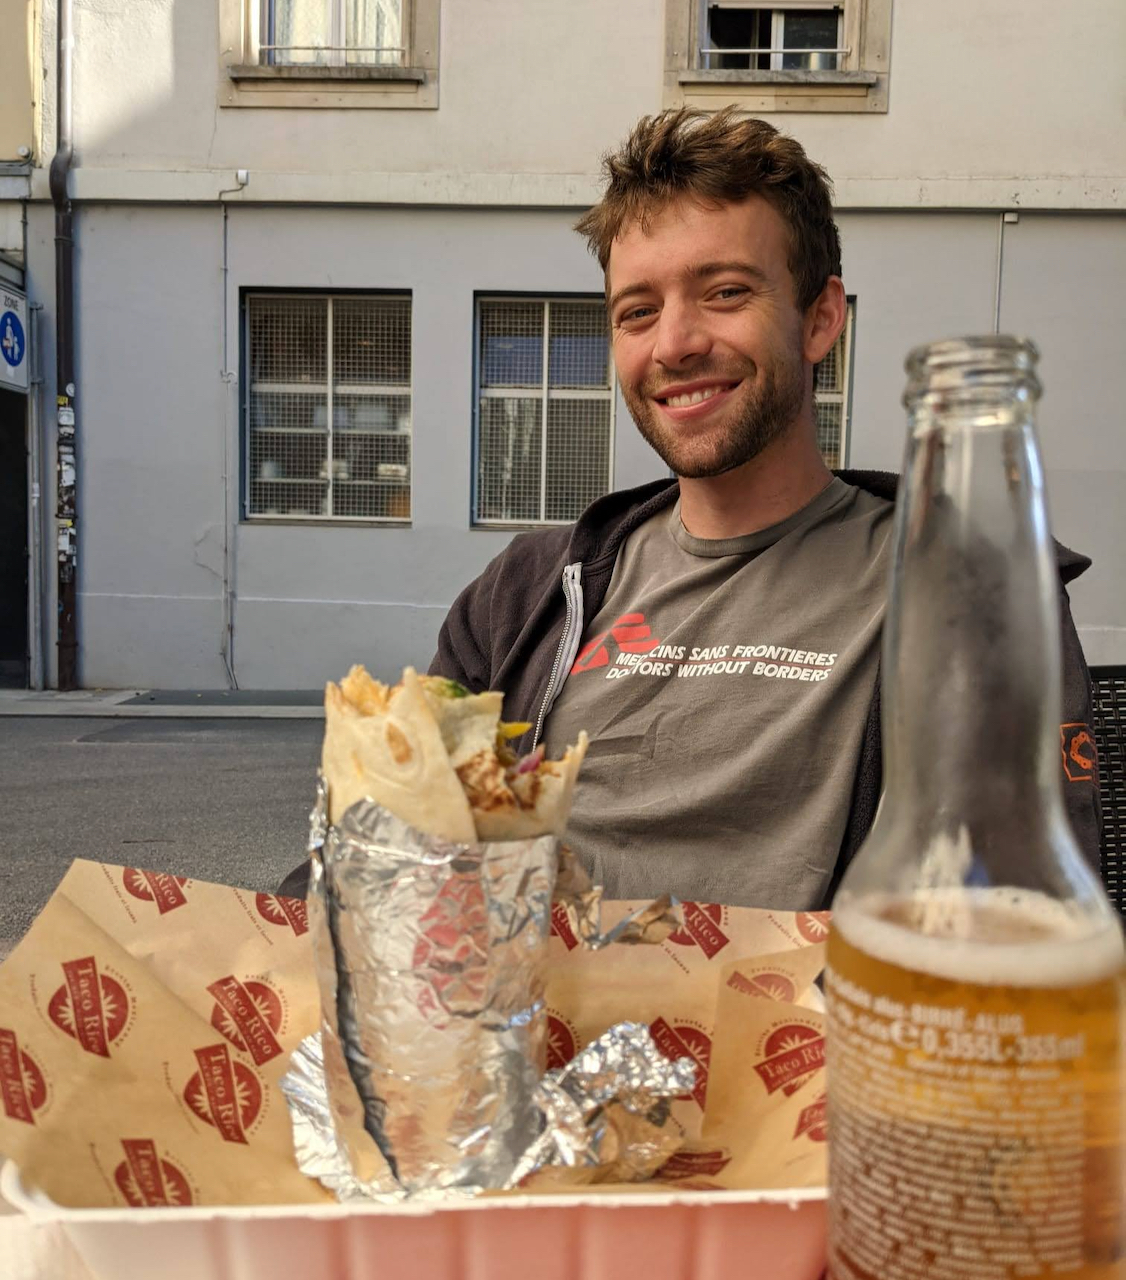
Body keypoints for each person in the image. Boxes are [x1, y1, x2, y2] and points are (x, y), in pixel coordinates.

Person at [427, 108, 1100, 910]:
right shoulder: (525, 593)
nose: (673, 343)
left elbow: (1014, 911)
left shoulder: (965, 586)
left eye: (725, 292)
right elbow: (385, 843)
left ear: (820, 319)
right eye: (637, 311)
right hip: (516, 987)